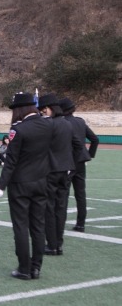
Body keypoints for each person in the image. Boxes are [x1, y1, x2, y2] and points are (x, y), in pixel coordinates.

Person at [0, 92, 54, 281]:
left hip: (20, 184)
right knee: (38, 226)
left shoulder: (19, 129)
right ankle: (36, 267)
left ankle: (24, 268)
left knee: (21, 226)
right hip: (41, 180)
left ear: (20, 109)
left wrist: (0, 186)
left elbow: (11, 161)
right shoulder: (48, 125)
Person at [38, 94, 82, 256]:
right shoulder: (67, 124)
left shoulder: (47, 125)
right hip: (66, 171)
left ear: (50, 109)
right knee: (61, 207)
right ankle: (59, 244)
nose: (43, 112)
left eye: (44, 110)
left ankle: (51, 244)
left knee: (49, 208)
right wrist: (72, 166)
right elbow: (79, 147)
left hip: (50, 171)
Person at [59, 97, 99, 232]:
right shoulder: (80, 122)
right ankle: (80, 224)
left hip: (66, 162)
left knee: (63, 194)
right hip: (81, 161)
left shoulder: (62, 123)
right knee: (80, 194)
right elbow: (95, 139)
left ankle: (60, 224)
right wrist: (89, 155)